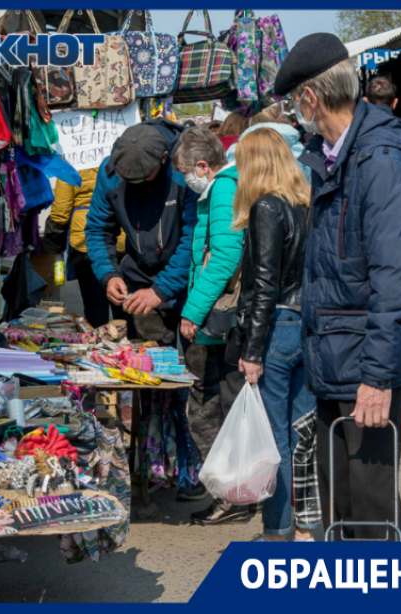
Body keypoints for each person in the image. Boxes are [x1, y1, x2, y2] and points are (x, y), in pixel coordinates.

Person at [274, 33, 401, 541]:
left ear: (310, 98)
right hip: (336, 356)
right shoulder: (334, 155)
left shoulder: (379, 160)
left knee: (370, 509)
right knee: (349, 507)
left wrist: (378, 376)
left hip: (365, 361)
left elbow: (397, 279)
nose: (297, 111)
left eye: (296, 100)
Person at [228, 127, 317, 542]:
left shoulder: (267, 207)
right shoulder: (305, 203)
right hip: (307, 325)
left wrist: (253, 348)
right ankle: (308, 523)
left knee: (275, 436)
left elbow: (264, 283)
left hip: (278, 326)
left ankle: (278, 528)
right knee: (303, 432)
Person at [170, 126, 249, 523]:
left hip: (217, 323)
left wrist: (192, 311)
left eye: (186, 171)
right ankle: (233, 494)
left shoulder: (221, 189)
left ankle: (231, 496)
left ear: (202, 165)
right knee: (217, 404)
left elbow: (223, 256)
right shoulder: (226, 186)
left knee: (207, 406)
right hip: (220, 321)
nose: (186, 180)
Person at [85, 120, 198, 349]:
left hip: (191, 285)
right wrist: (109, 275)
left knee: (197, 373)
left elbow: (194, 238)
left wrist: (162, 289)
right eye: (129, 178)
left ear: (164, 158)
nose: (135, 183)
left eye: (143, 176)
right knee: (149, 369)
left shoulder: (185, 170)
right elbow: (98, 229)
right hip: (140, 282)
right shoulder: (110, 172)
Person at [43, 170, 129, 328]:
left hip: (86, 241)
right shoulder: (122, 157)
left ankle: (98, 347)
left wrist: (53, 240)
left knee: (95, 310)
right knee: (125, 307)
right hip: (124, 237)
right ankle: (128, 347)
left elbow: (61, 210)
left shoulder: (74, 162)